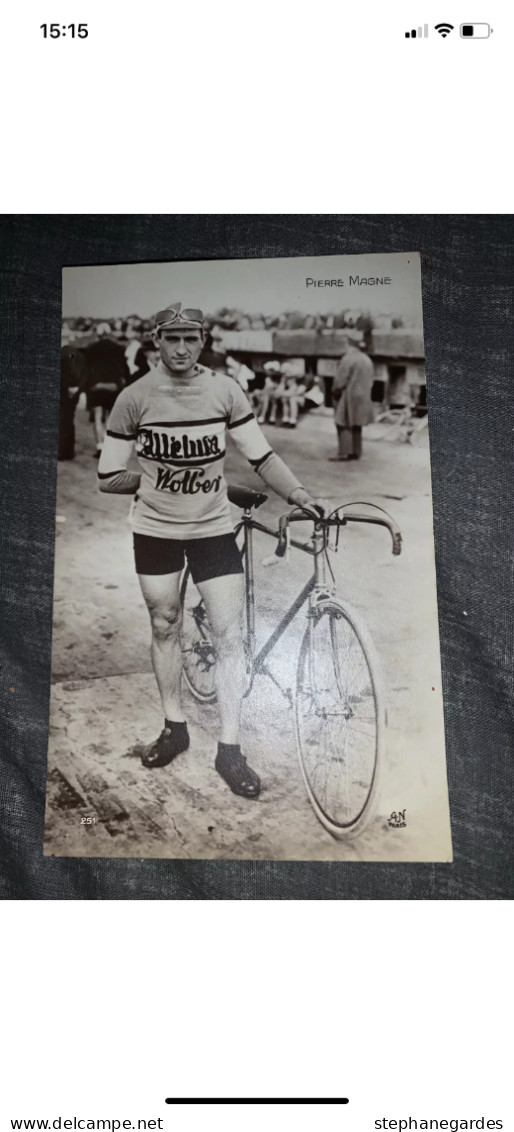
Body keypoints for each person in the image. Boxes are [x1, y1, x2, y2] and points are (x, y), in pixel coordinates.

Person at [97, 302, 322, 800]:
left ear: (204, 340)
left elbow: (261, 455)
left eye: (190, 338)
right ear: (156, 339)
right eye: (171, 338)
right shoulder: (133, 398)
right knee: (164, 623)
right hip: (155, 529)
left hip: (213, 529)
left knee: (230, 633)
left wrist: (300, 495)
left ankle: (230, 748)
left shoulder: (225, 390)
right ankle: (174, 728)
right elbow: (108, 475)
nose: (181, 347)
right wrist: (155, 481)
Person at [84, 324, 130, 457]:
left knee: (98, 417)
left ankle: (100, 447)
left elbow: (86, 369)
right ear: (109, 333)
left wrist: (87, 386)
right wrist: (125, 383)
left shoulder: (91, 349)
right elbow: (124, 368)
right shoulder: (118, 348)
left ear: (98, 334)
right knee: (111, 418)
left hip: (97, 386)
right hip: (113, 387)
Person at [330, 335, 374, 461]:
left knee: (342, 422)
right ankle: (356, 451)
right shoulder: (366, 359)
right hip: (363, 395)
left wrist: (335, 391)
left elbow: (340, 380)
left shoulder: (348, 359)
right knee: (357, 423)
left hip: (348, 395)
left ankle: (344, 452)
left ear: (349, 344)